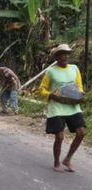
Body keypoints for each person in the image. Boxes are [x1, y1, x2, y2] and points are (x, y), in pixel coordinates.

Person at [38, 44, 86, 172]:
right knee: (59, 136)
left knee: (81, 132)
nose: (65, 56)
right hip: (57, 106)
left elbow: (79, 86)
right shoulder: (51, 71)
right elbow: (42, 89)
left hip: (72, 106)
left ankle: (68, 159)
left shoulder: (74, 69)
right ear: (57, 56)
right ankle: (56, 162)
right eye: (62, 54)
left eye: (67, 53)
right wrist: (50, 95)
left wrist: (80, 93)